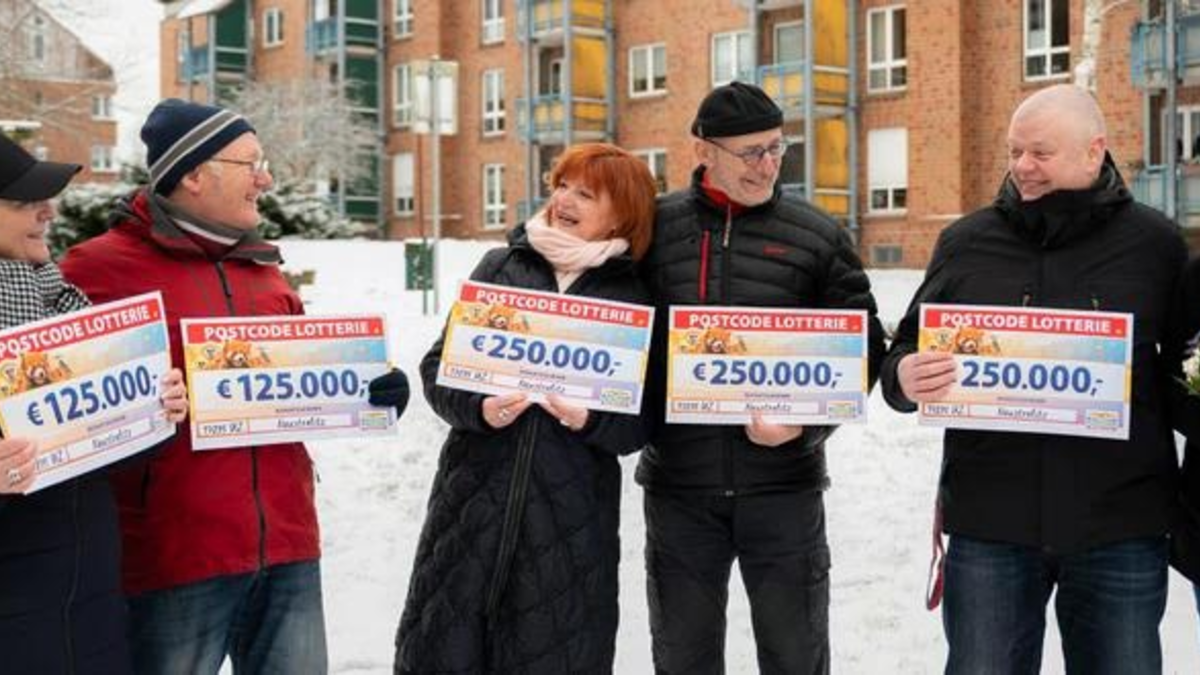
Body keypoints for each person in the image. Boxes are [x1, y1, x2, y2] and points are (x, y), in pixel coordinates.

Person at [59, 99, 409, 674]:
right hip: (174, 557)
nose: (265, 178)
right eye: (251, 162)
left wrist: (370, 386)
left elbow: (301, 385)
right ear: (194, 174)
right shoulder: (96, 271)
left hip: (288, 546)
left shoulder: (263, 269)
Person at [882, 83, 1185, 673]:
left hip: (1119, 528)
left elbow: (1185, 371)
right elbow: (906, 347)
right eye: (1015, 150)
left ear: (1093, 151)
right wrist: (904, 375)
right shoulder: (966, 243)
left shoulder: (1155, 246)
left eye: (1040, 153)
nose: (1022, 166)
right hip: (992, 525)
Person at [637, 81, 885, 674]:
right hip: (681, 490)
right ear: (704, 150)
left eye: (777, 147)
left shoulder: (818, 236)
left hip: (785, 491)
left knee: (796, 655)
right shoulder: (652, 229)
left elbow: (863, 348)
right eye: (751, 152)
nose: (769, 163)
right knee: (683, 657)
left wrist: (803, 428)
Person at [394, 143, 656, 673]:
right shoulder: (502, 266)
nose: (565, 199)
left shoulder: (633, 295)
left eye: (586, 192)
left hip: (569, 519)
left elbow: (644, 419)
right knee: (447, 650)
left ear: (620, 214)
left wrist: (592, 419)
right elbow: (438, 367)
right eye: (561, 184)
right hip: (470, 507)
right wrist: (479, 407)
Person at [0, 133, 189, 674]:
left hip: (90, 610)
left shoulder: (59, 302)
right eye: (21, 202)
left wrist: (155, 411)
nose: (47, 212)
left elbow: (100, 452)